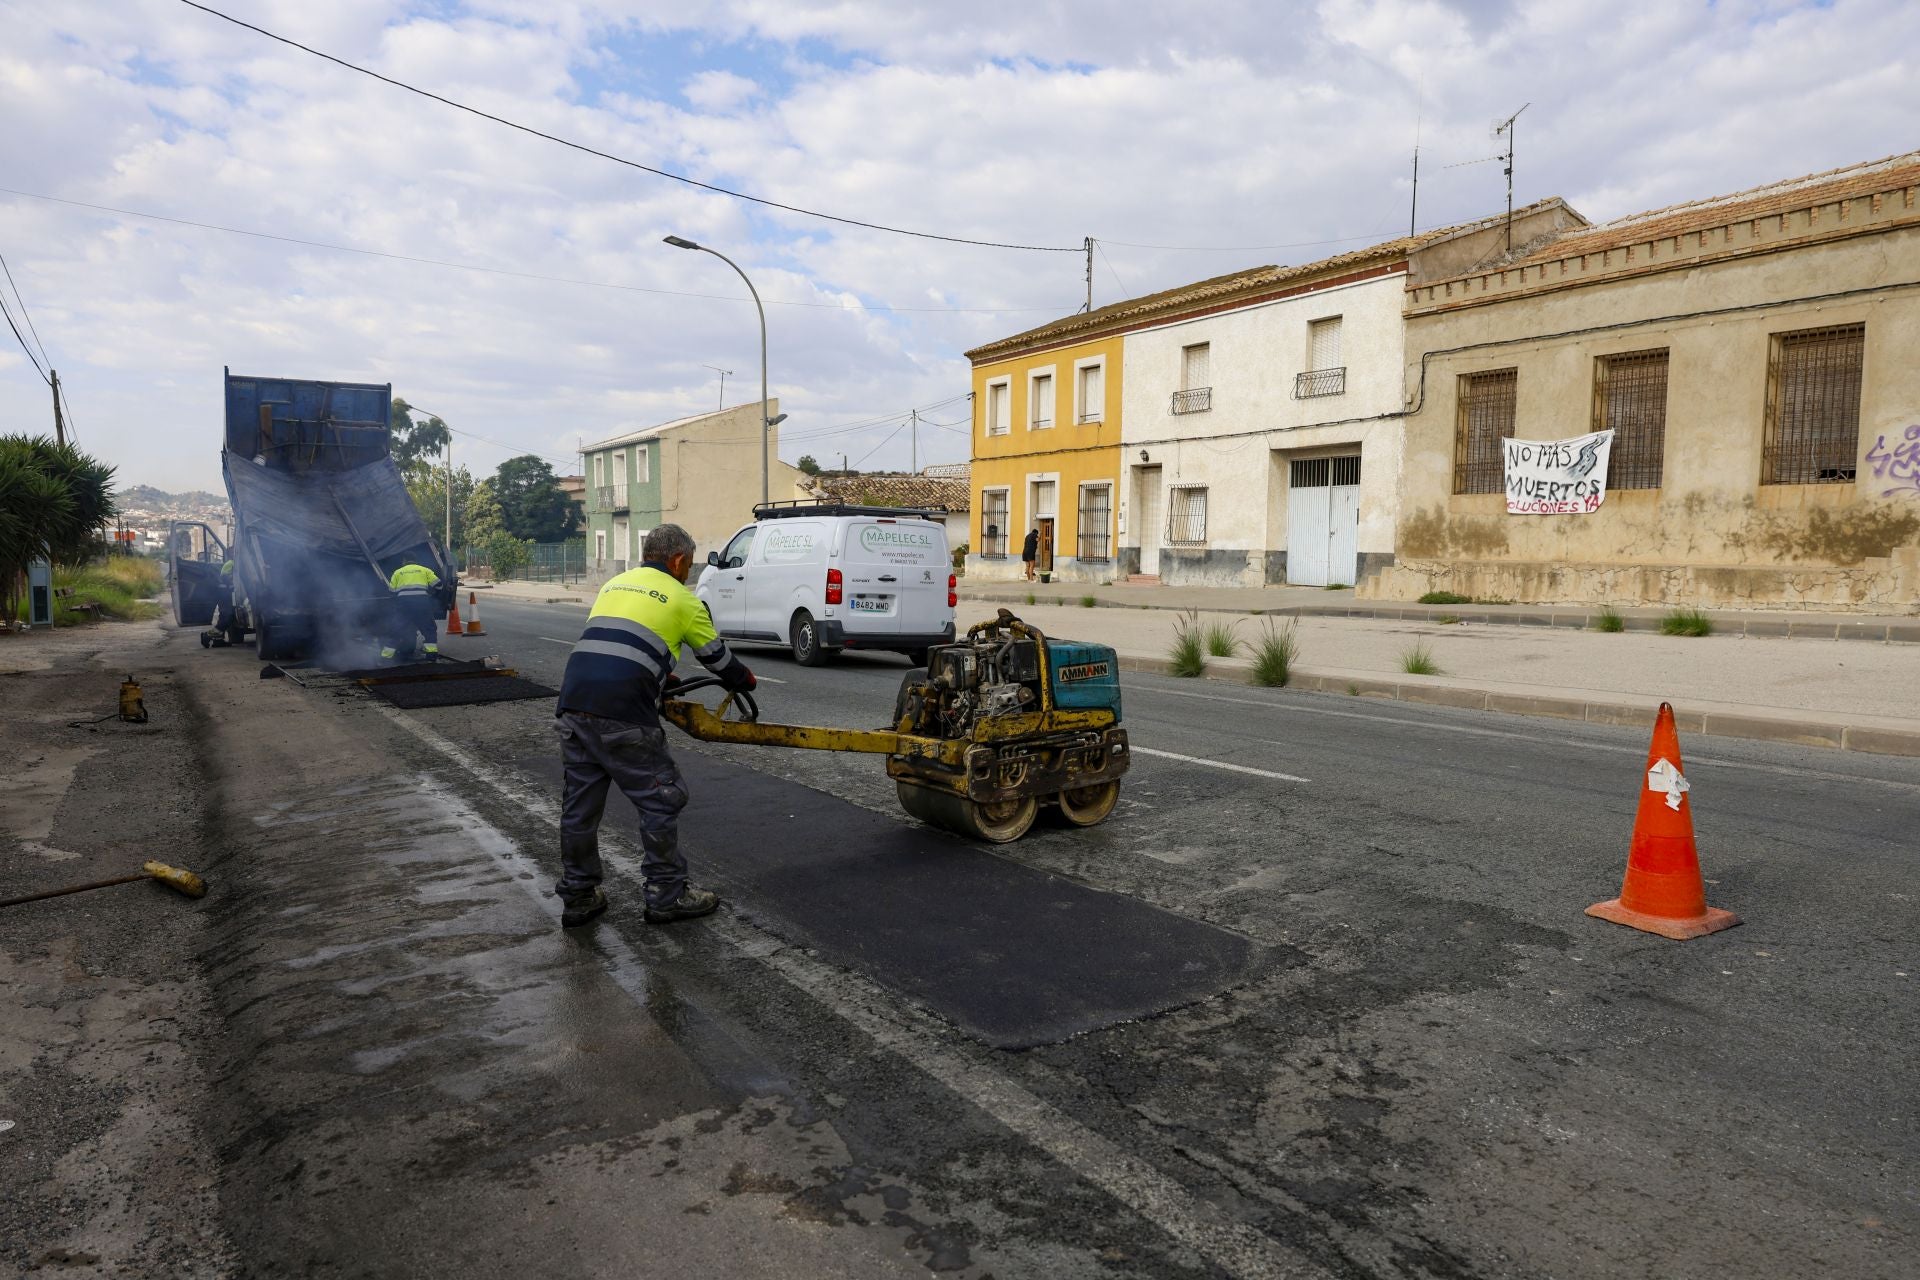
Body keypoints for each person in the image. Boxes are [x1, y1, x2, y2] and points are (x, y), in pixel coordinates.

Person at [553, 523, 755, 929]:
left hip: (575, 703)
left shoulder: (615, 585)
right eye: (690, 564)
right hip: (624, 712)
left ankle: (578, 897)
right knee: (661, 799)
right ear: (678, 560)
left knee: (579, 808)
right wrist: (743, 680)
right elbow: (717, 660)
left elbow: (618, 643)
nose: (689, 572)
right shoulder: (684, 599)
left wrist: (660, 676)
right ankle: (667, 895)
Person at [381, 561, 442, 660]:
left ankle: (385, 657)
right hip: (422, 604)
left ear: (404, 561)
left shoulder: (398, 572)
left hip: (404, 605)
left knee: (396, 630)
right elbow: (439, 585)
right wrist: (433, 596)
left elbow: (392, 591)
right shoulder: (424, 570)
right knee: (429, 629)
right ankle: (431, 655)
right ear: (415, 561)